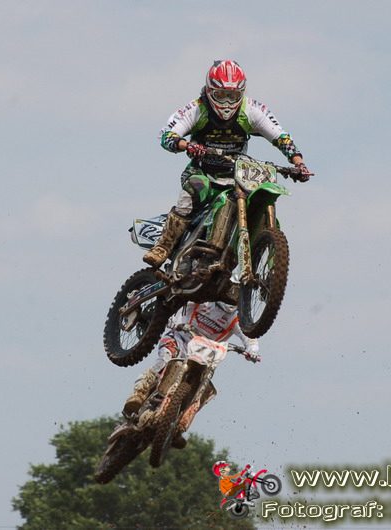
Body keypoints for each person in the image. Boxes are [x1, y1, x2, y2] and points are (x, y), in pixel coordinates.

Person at [143, 59, 313, 268]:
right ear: (210, 90)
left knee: (257, 197)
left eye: (231, 96)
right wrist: (185, 144)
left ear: (241, 93)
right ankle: (163, 245)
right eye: (221, 95)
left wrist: (299, 163)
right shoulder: (197, 109)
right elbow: (167, 134)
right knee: (194, 191)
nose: (226, 102)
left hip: (237, 176)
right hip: (202, 171)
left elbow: (281, 136)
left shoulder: (251, 110)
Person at [122, 300, 260, 447]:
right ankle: (139, 393)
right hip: (179, 339)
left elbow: (249, 337)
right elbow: (182, 305)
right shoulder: (204, 300)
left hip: (203, 355)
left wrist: (252, 350)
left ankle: (178, 427)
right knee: (165, 358)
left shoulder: (235, 319)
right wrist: (175, 321)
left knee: (204, 386)